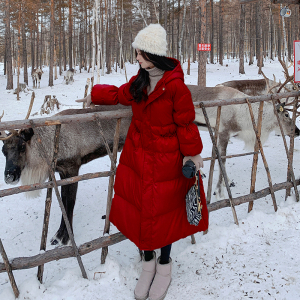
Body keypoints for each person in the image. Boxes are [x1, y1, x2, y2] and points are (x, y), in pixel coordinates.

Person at [76, 23, 209, 300]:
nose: (136, 58)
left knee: (164, 214)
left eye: (140, 53)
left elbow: (186, 124)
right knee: (140, 211)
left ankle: (163, 267)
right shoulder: (140, 81)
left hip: (166, 160)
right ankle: (147, 264)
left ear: (153, 54)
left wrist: (192, 156)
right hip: (137, 156)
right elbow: (118, 95)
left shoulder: (176, 88)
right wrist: (94, 95)